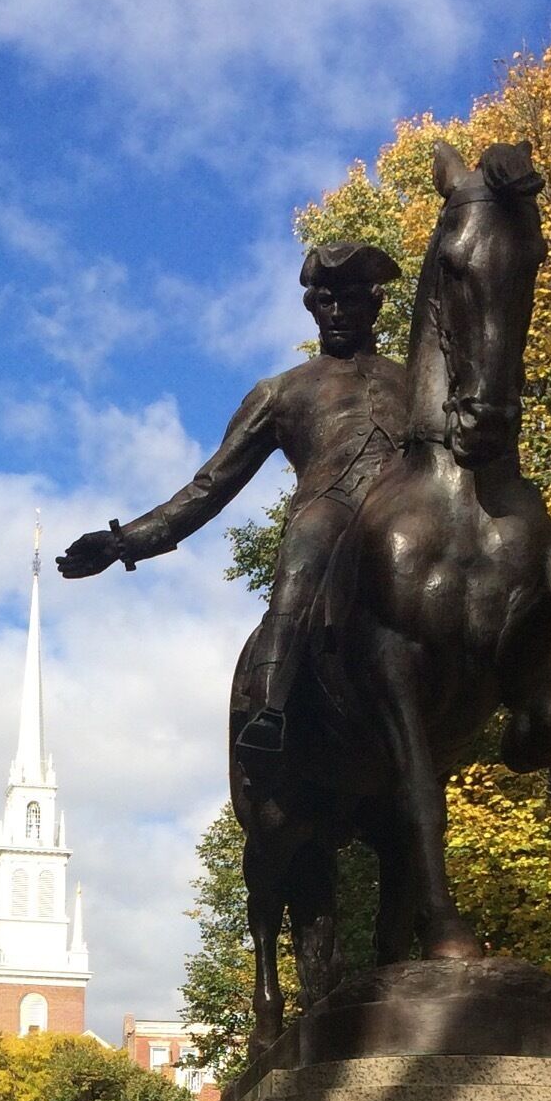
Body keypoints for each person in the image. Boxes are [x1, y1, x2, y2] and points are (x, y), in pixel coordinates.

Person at [57, 239, 406, 776]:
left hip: (409, 521)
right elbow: (209, 487)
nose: (337, 313)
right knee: (306, 545)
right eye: (325, 301)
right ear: (312, 307)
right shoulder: (282, 392)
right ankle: (272, 704)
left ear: (375, 303)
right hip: (330, 514)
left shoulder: (414, 382)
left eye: (351, 300)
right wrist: (123, 541)